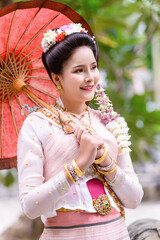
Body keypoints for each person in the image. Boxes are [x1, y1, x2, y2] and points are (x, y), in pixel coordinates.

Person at [17, 23, 144, 240]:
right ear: (57, 78)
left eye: (93, 67)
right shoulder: (36, 125)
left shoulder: (109, 122)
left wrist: (105, 161)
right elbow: (30, 206)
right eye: (79, 70)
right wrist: (79, 164)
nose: (90, 77)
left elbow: (134, 199)